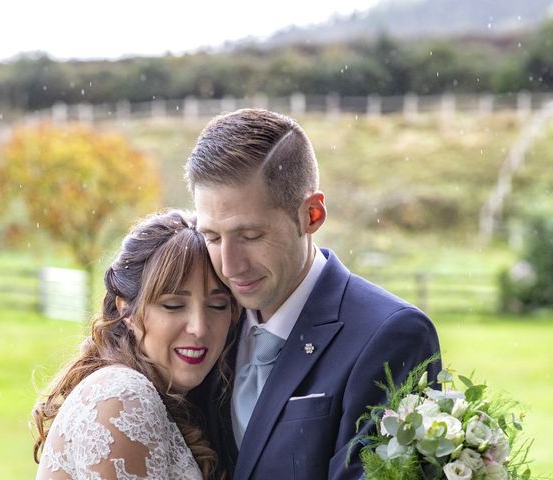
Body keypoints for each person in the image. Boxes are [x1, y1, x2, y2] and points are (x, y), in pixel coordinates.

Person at [185, 109, 441, 479]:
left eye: (251, 236)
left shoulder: (392, 336)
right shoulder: (206, 324)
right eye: (211, 237)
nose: (229, 266)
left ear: (312, 214)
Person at [32, 210, 238, 479]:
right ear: (127, 309)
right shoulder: (123, 396)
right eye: (173, 305)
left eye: (217, 305)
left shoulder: (177, 398)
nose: (199, 327)